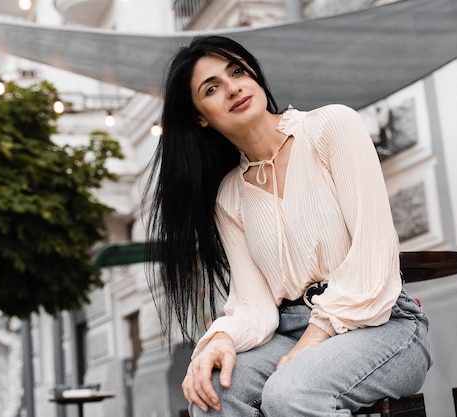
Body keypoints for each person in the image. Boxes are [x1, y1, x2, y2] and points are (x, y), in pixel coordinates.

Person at [143, 35, 432, 417]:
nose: (233, 88)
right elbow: (254, 306)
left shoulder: (331, 128)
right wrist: (220, 339)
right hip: (288, 328)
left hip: (382, 324)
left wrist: (316, 335)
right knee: (215, 395)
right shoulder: (230, 195)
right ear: (199, 116)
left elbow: (373, 255)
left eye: (237, 71)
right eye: (212, 88)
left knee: (291, 393)